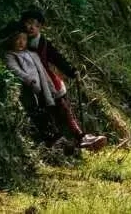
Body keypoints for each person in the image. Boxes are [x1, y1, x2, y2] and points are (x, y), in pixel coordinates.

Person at [19, 9, 107, 151]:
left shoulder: (44, 43)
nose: (31, 27)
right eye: (28, 23)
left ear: (40, 27)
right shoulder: (19, 39)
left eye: (35, 24)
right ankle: (56, 141)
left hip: (47, 79)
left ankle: (81, 136)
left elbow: (58, 59)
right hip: (29, 80)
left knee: (63, 106)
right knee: (41, 109)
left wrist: (72, 71)